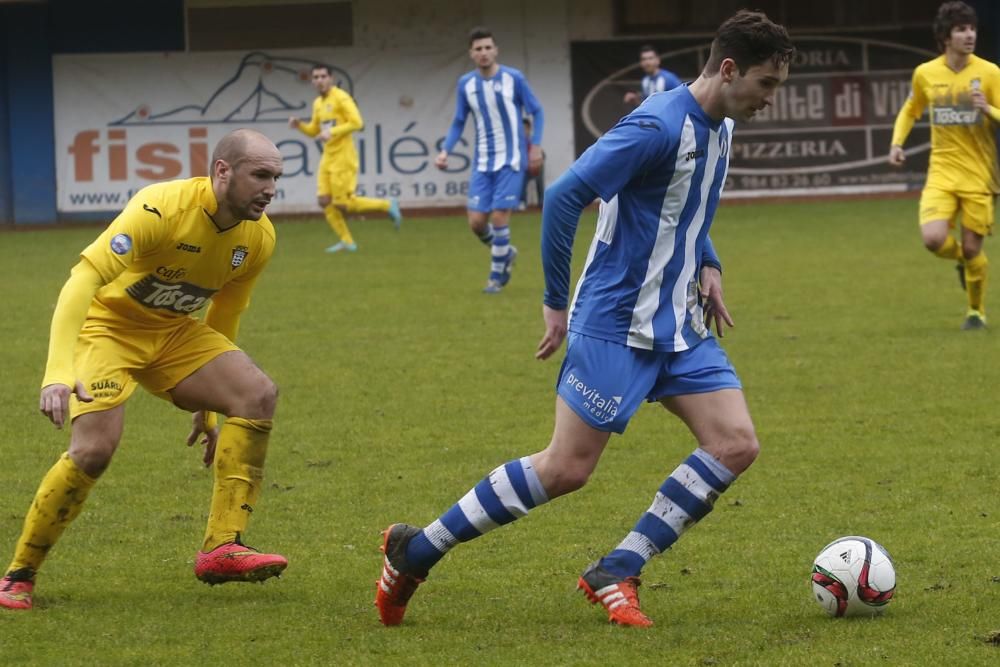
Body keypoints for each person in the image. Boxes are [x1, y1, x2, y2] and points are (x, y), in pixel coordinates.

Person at [376, 10, 793, 627]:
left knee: (735, 444)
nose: (769, 100)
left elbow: (689, 208)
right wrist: (553, 302)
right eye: (765, 84)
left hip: (678, 323)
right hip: (615, 321)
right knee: (566, 468)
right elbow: (566, 195)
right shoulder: (656, 124)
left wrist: (709, 261)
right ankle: (417, 549)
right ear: (728, 69)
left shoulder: (721, 123)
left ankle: (618, 568)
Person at [0, 129, 288, 611]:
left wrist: (211, 408)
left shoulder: (258, 238)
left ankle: (222, 546)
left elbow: (224, 315)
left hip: (174, 332)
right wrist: (57, 370)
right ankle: (18, 574)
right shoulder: (161, 208)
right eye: (260, 175)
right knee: (94, 450)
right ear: (222, 171)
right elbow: (83, 278)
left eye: (276, 177)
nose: (271, 188)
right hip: (108, 328)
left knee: (256, 395)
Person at [889, 1, 1000, 330]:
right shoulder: (925, 73)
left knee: (971, 246)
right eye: (961, 29)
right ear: (945, 36)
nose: (969, 35)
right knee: (933, 239)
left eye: (972, 28)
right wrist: (897, 143)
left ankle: (975, 312)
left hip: (981, 174)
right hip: (941, 172)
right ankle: (965, 263)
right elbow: (911, 110)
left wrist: (988, 110)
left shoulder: (990, 73)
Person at [434, 27, 544, 293]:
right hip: (482, 162)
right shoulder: (466, 85)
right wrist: (445, 150)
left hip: (511, 160)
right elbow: (460, 120)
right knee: (476, 223)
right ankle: (505, 251)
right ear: (471, 54)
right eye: (478, 49)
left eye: (487, 48)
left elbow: (536, 111)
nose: (483, 53)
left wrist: (535, 146)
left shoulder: (513, 78)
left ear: (495, 50)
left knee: (499, 216)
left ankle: (496, 278)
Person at [289, 64, 402, 254]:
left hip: (343, 157)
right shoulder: (318, 103)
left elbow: (357, 123)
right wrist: (299, 125)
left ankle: (387, 204)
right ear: (312, 81)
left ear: (331, 78)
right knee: (324, 200)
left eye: (323, 76)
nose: (319, 80)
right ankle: (348, 242)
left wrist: (331, 131)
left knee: (343, 205)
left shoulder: (341, 97)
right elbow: (315, 131)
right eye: (315, 77)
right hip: (328, 157)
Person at [519, 116, 545, 209]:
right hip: (523, 170)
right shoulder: (517, 142)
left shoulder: (534, 141)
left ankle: (541, 202)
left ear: (529, 129)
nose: (524, 131)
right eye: (522, 129)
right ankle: (522, 202)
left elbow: (541, 154)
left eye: (525, 128)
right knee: (520, 180)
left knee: (539, 179)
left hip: (534, 168)